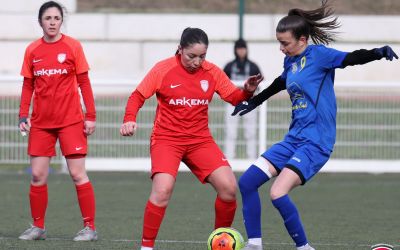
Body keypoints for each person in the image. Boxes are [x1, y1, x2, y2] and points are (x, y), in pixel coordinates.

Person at [232, 1, 398, 250]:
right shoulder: (291, 62)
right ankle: (254, 245)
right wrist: (253, 102)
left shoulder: (320, 56)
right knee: (246, 183)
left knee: (277, 193)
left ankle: (304, 248)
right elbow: (280, 82)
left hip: (316, 141)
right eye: (279, 42)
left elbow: (351, 58)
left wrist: (376, 52)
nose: (281, 48)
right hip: (293, 139)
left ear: (302, 39)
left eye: (285, 43)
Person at [120, 27, 263, 250]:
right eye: (191, 56)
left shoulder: (212, 72)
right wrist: (129, 118)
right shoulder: (163, 69)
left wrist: (247, 91)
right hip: (167, 139)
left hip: (200, 140)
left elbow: (233, 97)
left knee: (228, 188)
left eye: (202, 56)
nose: (197, 62)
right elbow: (137, 96)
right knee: (162, 191)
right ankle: (146, 247)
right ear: (180, 49)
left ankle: (220, 243)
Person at [18, 1, 98, 241]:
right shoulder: (33, 50)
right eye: (48, 18)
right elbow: (28, 85)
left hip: (71, 121)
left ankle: (89, 228)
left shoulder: (73, 47)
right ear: (40, 21)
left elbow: (84, 83)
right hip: (41, 123)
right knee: (37, 175)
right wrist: (23, 115)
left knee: (77, 174)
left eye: (56, 18)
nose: (52, 22)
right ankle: (38, 227)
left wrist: (90, 116)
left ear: (61, 21)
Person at [224, 39, 262, 159]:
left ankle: (251, 158)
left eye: (243, 48)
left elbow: (261, 82)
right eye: (239, 48)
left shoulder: (253, 66)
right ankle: (229, 158)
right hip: (232, 103)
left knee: (250, 132)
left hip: (249, 103)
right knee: (230, 132)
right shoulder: (229, 66)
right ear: (235, 50)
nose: (241, 51)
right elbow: (222, 83)